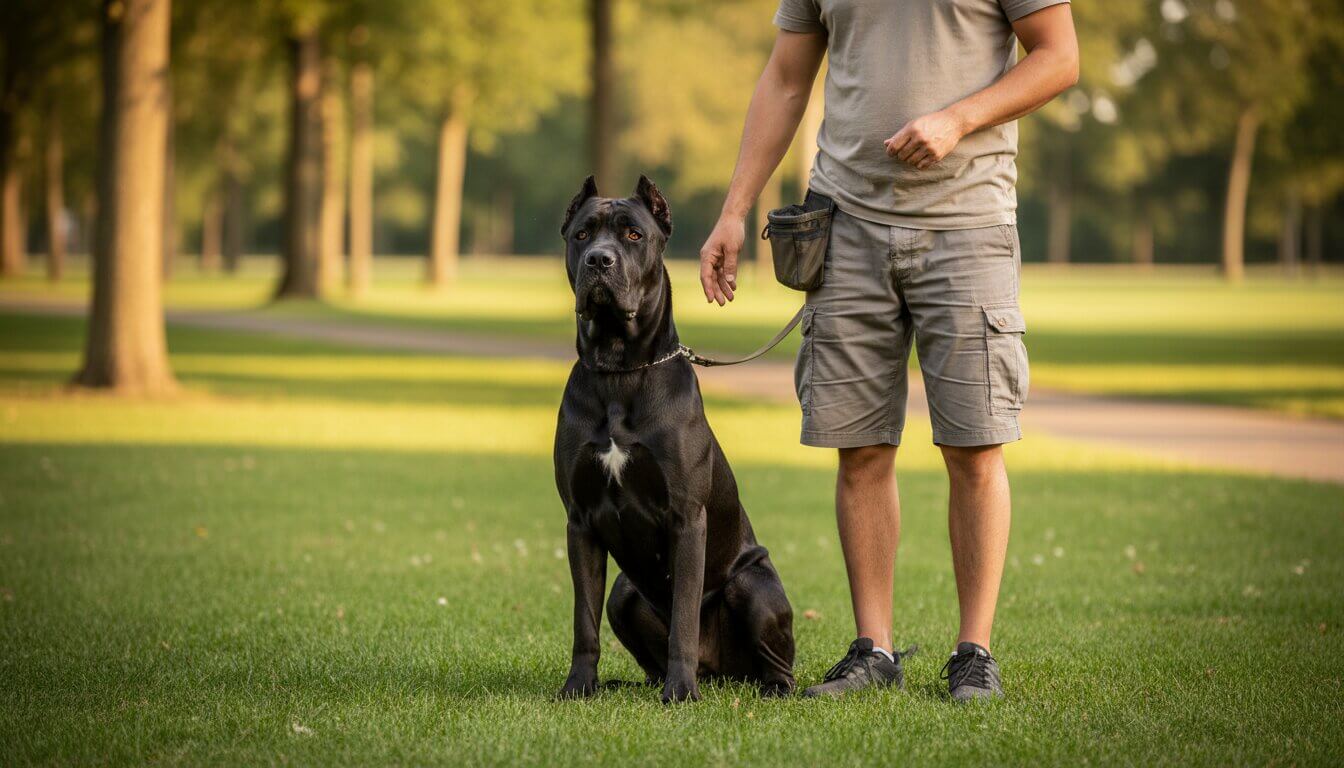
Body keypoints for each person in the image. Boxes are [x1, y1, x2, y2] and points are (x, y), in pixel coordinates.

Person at [699, 0, 1078, 701]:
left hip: (969, 225)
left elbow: (1058, 57)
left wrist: (958, 118)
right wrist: (734, 208)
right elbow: (786, 77)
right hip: (844, 224)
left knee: (974, 445)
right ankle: (872, 649)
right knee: (861, 448)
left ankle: (975, 653)